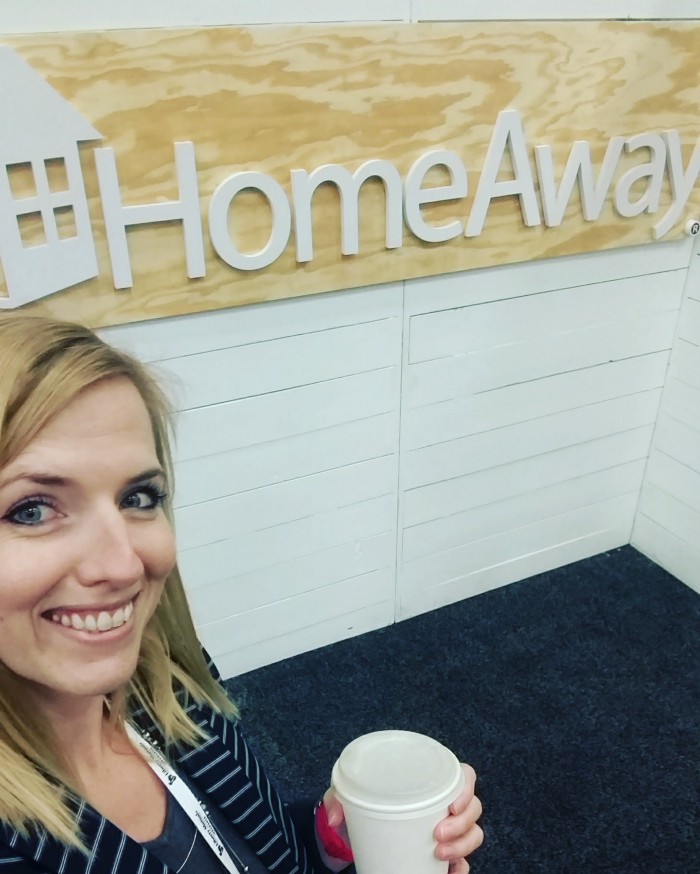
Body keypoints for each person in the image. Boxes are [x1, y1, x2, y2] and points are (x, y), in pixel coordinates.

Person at [0, 315, 483, 873]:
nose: (123, 563)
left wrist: (339, 840)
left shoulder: (167, 680)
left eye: (137, 497)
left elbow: (254, 851)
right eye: (31, 510)